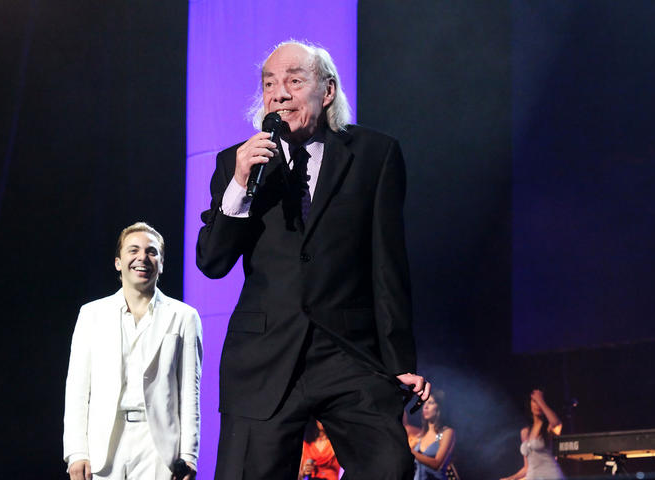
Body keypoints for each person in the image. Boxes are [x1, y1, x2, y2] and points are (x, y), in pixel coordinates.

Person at [196, 40, 430, 480]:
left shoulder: (374, 155)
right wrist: (240, 185)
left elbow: (388, 266)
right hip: (264, 356)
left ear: (327, 90)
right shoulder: (237, 162)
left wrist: (400, 361)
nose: (279, 94)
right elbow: (212, 261)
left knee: (390, 467)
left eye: (294, 80)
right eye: (269, 84)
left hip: (349, 352)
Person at [63, 222, 202, 480]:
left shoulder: (184, 317)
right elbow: (77, 389)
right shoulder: (92, 314)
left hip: (159, 449)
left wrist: (189, 455)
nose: (142, 258)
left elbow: (189, 392)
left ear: (161, 264)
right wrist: (76, 451)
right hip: (104, 446)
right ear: (118, 262)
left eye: (152, 252)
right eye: (133, 250)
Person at [500, 389, 565, 480]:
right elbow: (526, 468)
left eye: (540, 401)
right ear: (530, 404)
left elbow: (556, 423)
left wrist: (540, 401)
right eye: (534, 401)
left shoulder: (549, 428)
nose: (537, 405)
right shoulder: (525, 432)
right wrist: (511, 478)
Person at [404, 390, 456, 480]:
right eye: (425, 403)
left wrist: (410, 451)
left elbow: (437, 464)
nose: (425, 407)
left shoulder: (444, 433)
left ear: (439, 407)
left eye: (431, 403)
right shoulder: (422, 435)